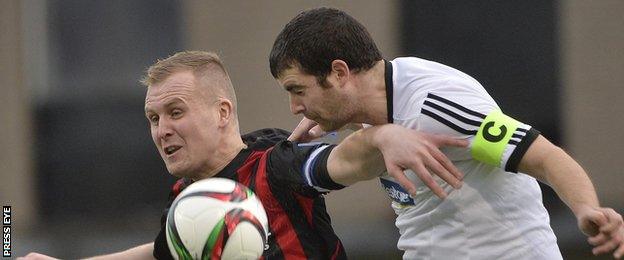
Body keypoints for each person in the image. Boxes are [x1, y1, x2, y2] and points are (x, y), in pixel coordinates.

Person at [20, 51, 467, 260]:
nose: (162, 130)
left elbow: (343, 162)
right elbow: (161, 250)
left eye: (175, 112)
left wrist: (383, 139)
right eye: (153, 118)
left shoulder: (276, 165)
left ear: (222, 112)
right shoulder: (189, 197)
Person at [269, 7, 624, 259]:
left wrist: (587, 210)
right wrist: (340, 118)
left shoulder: (436, 106)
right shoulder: (372, 101)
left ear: (339, 73)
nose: (294, 108)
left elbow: (544, 156)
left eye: (297, 90)